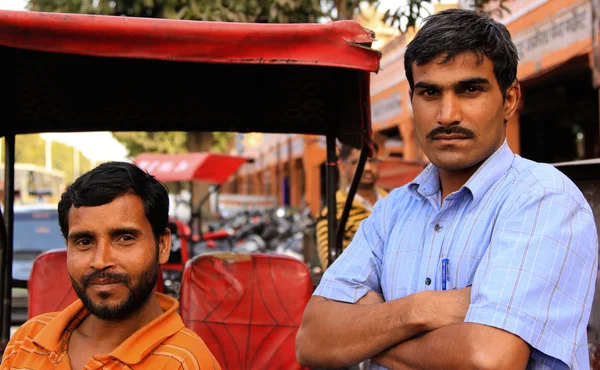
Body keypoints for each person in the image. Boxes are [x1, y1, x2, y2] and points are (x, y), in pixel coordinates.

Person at [296, 8, 598, 370]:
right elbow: (312, 339)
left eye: (470, 89)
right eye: (429, 92)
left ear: (510, 99)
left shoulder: (542, 199)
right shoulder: (393, 212)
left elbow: (487, 360)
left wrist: (362, 336)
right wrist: (422, 309)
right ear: (412, 100)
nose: (447, 114)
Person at [1, 162, 220, 370]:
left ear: (162, 246)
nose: (100, 261)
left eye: (124, 238)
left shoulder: (185, 362)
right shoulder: (26, 340)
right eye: (84, 242)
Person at [315, 143, 389, 269]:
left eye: (372, 161)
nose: (367, 167)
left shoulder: (394, 203)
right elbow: (332, 266)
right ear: (343, 168)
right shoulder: (333, 212)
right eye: (357, 162)